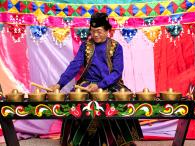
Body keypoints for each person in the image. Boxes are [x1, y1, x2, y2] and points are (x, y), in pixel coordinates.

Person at [49, 12, 142, 146]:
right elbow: (74, 65)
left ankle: (119, 142)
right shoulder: (85, 46)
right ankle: (79, 142)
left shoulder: (116, 47)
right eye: (93, 31)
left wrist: (100, 85)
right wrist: (59, 84)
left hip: (110, 83)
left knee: (120, 101)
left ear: (107, 30)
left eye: (99, 31)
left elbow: (117, 72)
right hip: (87, 84)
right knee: (75, 103)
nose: (95, 35)